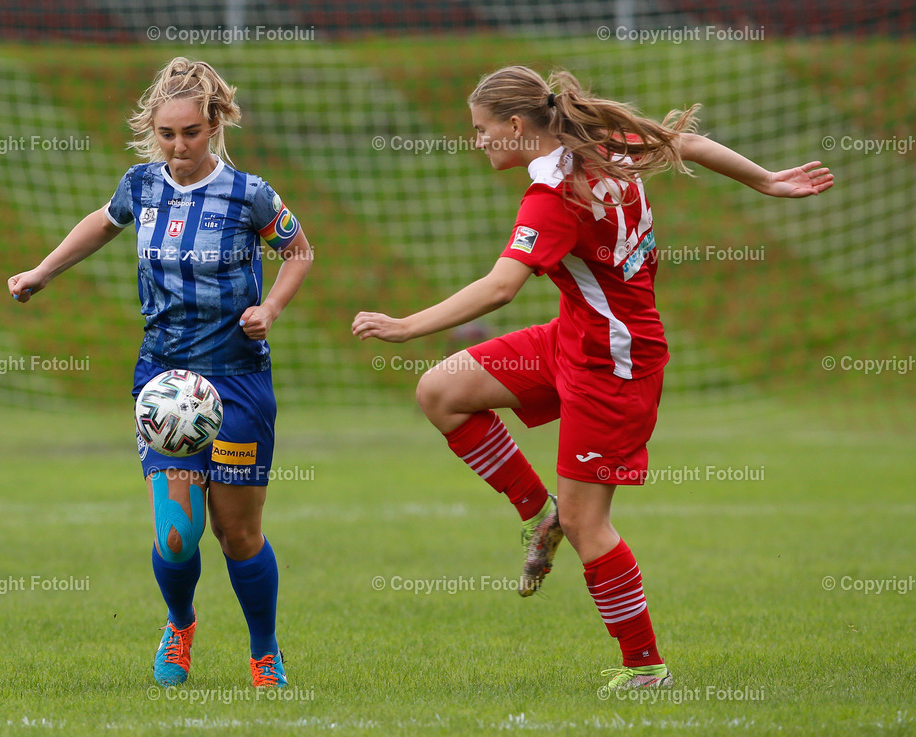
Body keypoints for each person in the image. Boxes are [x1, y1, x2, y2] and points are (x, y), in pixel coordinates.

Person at [352, 65, 832, 692]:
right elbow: (684, 142)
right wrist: (764, 180)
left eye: (481, 129)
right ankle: (538, 512)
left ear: (516, 126)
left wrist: (406, 326)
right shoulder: (601, 144)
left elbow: (500, 288)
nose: (477, 141)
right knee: (440, 391)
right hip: (574, 337)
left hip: (614, 364)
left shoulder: (554, 196)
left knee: (588, 525)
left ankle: (645, 669)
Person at [8, 57, 313, 689]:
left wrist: (271, 309)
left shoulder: (250, 193)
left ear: (215, 125)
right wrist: (42, 271)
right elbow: (103, 222)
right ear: (153, 131)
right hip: (165, 384)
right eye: (167, 134)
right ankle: (179, 625)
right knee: (178, 535)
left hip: (236, 380)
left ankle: (264, 652)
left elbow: (298, 251)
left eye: (191, 133)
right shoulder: (141, 185)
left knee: (236, 534)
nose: (179, 146)